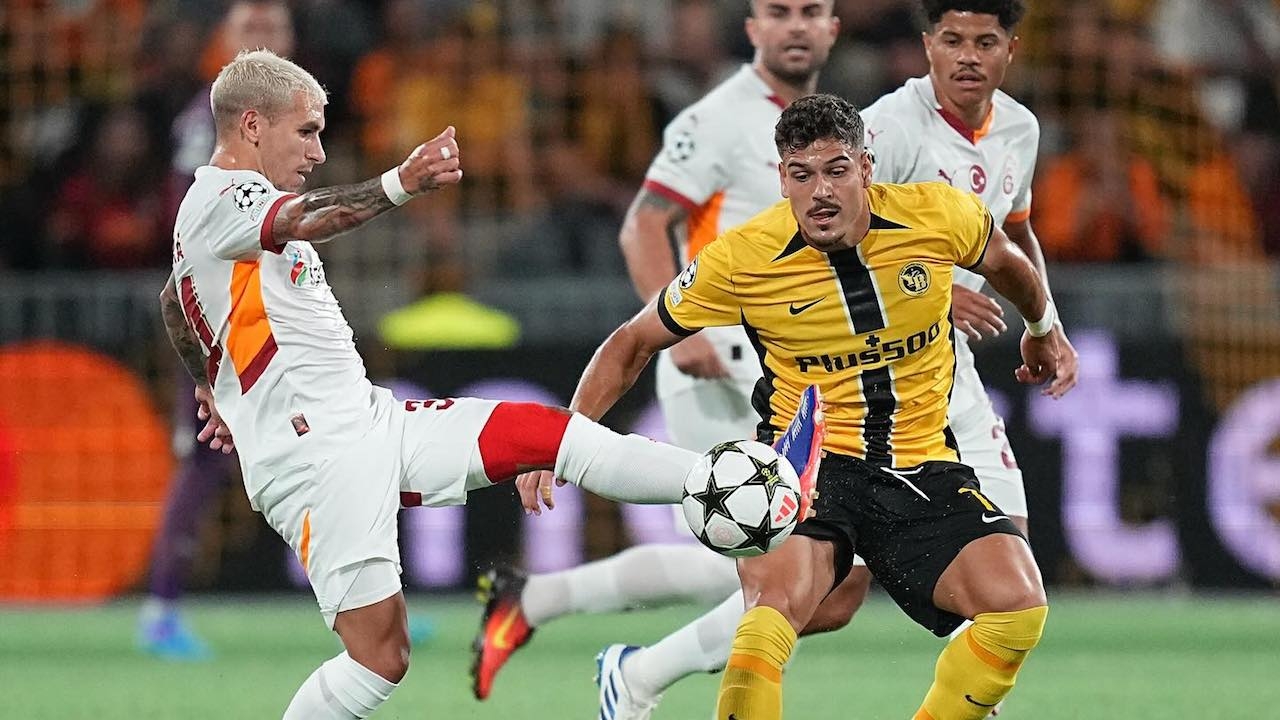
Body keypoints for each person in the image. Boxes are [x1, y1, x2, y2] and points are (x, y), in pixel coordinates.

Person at [161, 49, 706, 720]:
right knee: (379, 656)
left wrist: (210, 383)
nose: (319, 151)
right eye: (306, 132)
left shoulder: (218, 214)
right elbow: (304, 219)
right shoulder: (228, 195)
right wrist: (402, 181)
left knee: (547, 433)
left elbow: (173, 298)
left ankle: (722, 480)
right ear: (251, 125)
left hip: (368, 423)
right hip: (315, 456)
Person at [547, 92, 1061, 720]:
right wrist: (561, 441)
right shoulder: (744, 257)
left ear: (866, 168)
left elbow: (1007, 261)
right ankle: (643, 678)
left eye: (837, 170)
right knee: (771, 613)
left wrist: (1041, 328)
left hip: (921, 463)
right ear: (782, 178)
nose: (820, 191)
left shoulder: (940, 215)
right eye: (801, 174)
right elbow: (632, 342)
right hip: (809, 469)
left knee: (1016, 608)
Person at [470, 0, 841, 711]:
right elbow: (643, 226)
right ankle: (632, 672)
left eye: (811, 11)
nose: (796, 25)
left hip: (789, 363)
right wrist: (686, 331)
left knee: (765, 559)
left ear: (834, 28)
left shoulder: (837, 126)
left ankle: (539, 601)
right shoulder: (717, 118)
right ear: (752, 28)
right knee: (794, 563)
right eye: (779, 11)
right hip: (723, 363)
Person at [139, 0, 298, 660]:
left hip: (279, 306)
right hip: (219, 311)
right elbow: (185, 216)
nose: (263, 37)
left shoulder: (293, 112)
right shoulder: (205, 117)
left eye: (272, 27)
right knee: (207, 454)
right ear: (224, 42)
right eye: (249, 28)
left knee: (321, 442)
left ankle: (370, 599)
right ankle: (161, 610)